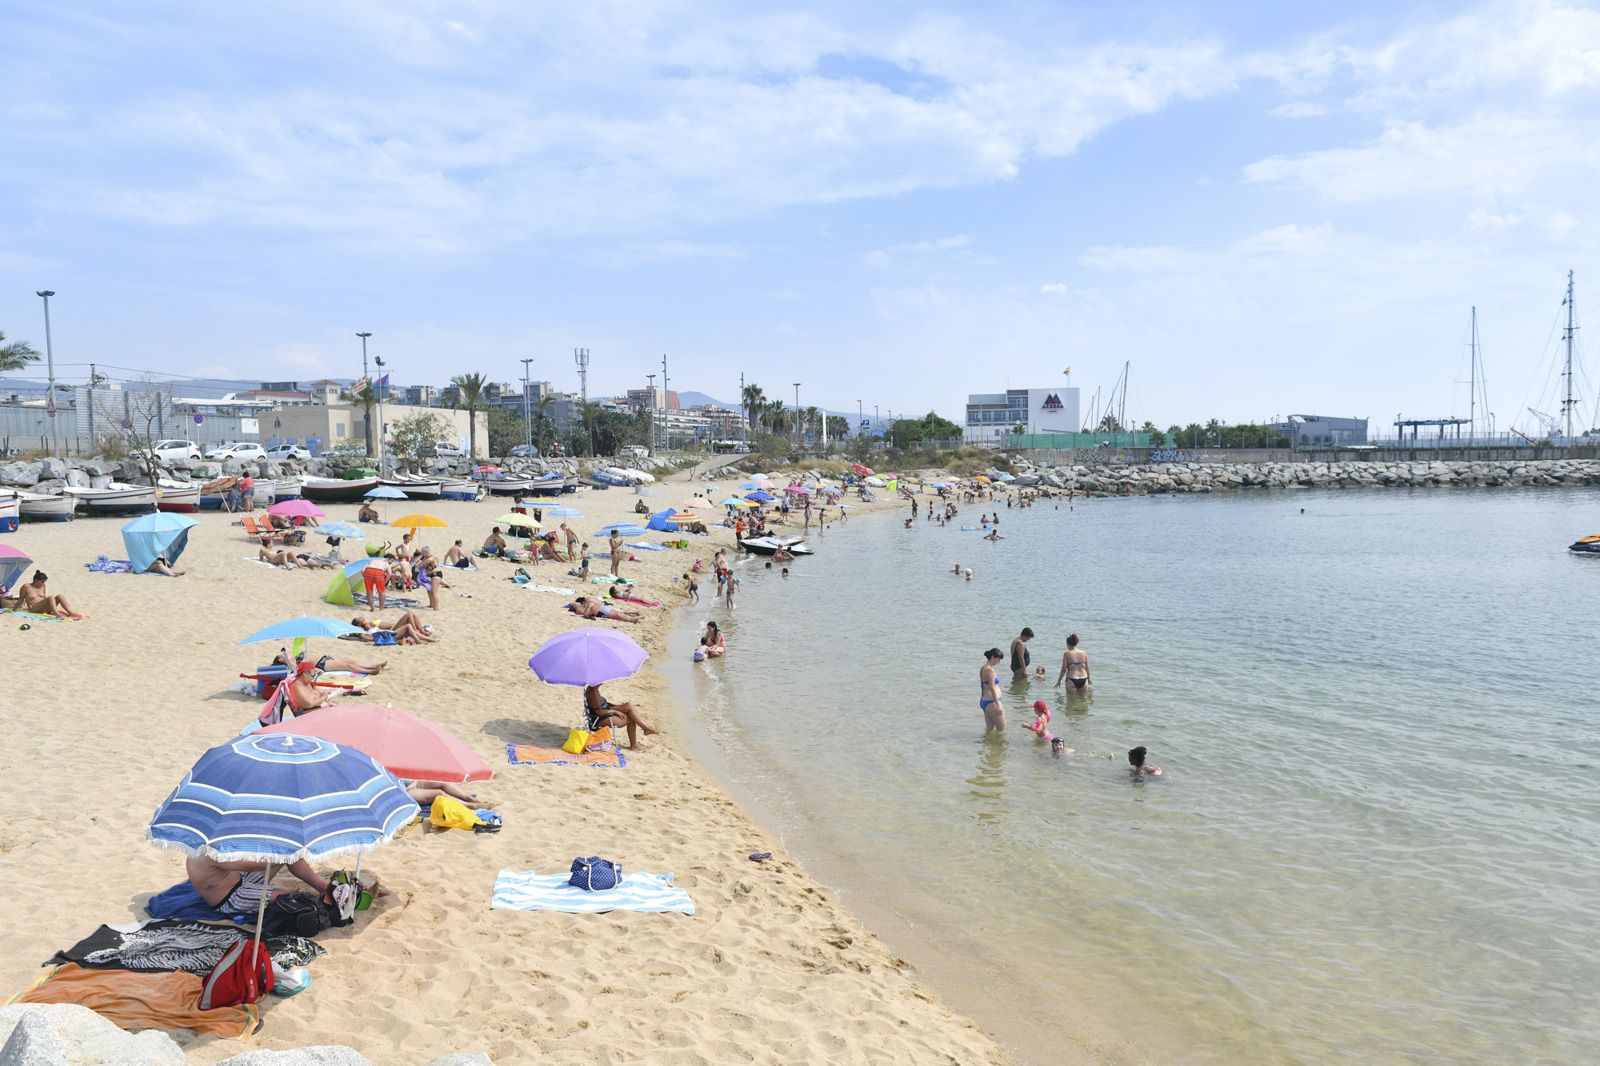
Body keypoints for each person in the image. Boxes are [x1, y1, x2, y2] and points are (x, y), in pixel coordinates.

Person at [186, 853, 331, 918]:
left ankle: (323, 888)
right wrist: (278, 856)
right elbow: (247, 865)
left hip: (240, 878)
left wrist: (285, 853)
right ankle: (325, 900)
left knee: (290, 854)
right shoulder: (204, 853)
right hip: (231, 897)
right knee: (289, 898)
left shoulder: (208, 844)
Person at [583, 683, 658, 750]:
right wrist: (615, 711)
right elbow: (599, 712)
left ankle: (645, 728)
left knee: (628, 705)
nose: (603, 681)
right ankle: (634, 745)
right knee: (631, 720)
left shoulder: (593, 689)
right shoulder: (592, 692)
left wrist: (616, 707)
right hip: (599, 720)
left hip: (605, 712)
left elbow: (600, 704)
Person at [15, 571, 83, 619]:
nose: (43, 583)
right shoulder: (26, 586)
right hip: (34, 609)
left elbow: (44, 597)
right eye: (41, 582)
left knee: (60, 596)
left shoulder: (43, 586)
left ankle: (70, 612)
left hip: (44, 609)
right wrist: (14, 609)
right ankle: (57, 614)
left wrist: (50, 605)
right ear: (35, 580)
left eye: (44, 582)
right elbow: (21, 599)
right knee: (51, 597)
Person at [979, 648, 1005, 732]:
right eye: (998, 659)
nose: (999, 662)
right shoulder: (990, 670)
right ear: (993, 657)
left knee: (989, 729)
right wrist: (998, 704)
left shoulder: (983, 668)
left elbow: (983, 685)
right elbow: (992, 688)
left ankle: (986, 744)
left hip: (985, 700)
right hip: (992, 702)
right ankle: (1000, 745)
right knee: (1002, 730)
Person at [565, 596, 641, 623]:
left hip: (601, 607)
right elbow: (586, 614)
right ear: (573, 607)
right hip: (600, 611)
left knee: (618, 613)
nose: (574, 603)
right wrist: (589, 606)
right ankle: (633, 619)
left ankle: (633, 617)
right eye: (573, 604)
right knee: (618, 615)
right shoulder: (578, 610)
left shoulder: (582, 605)